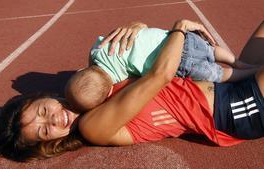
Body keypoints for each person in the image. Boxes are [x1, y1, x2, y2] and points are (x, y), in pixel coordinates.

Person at [0, 19, 264, 162]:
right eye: (45, 130)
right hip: (232, 109)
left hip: (227, 83)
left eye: (44, 112)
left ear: (44, 98)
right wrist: (178, 29)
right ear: (50, 143)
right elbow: (161, 74)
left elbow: (138, 53)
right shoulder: (94, 127)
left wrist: (139, 28)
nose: (55, 119)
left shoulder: (89, 87)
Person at [65, 25, 258, 112]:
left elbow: (141, 79)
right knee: (212, 50)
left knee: (219, 74)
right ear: (81, 69)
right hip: (179, 38)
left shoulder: (117, 79)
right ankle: (236, 61)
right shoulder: (98, 50)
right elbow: (104, 40)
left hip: (179, 63)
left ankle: (250, 72)